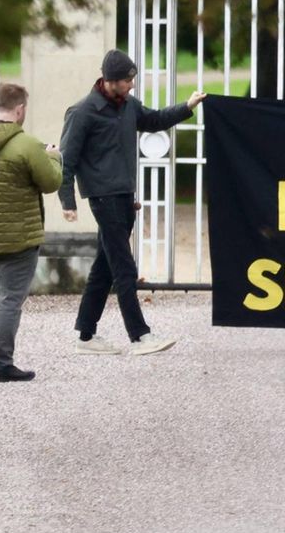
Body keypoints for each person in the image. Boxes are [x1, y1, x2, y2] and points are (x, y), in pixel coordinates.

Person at [60, 49, 205, 356]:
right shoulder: (82, 111)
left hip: (125, 196)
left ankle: (85, 336)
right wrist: (67, 201)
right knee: (124, 267)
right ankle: (140, 336)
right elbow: (66, 160)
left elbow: (154, 120)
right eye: (128, 80)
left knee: (104, 266)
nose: (132, 85)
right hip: (103, 197)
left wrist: (187, 106)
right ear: (110, 80)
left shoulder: (128, 105)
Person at [0, 84, 63, 382]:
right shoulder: (27, 145)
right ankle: (1, 364)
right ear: (19, 110)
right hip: (19, 238)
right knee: (9, 299)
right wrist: (54, 157)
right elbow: (51, 182)